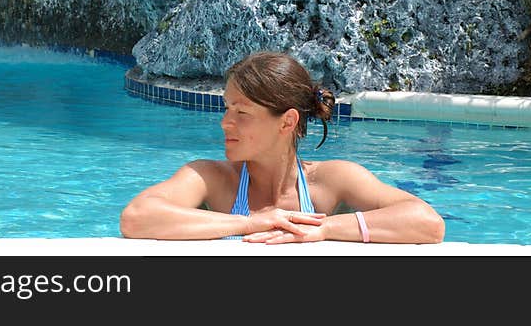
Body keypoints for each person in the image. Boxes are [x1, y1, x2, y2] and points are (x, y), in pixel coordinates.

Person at [120, 50, 445, 244]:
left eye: (242, 112)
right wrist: (253, 222)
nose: (225, 122)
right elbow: (136, 217)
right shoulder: (211, 178)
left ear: (287, 122)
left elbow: (427, 223)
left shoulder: (332, 182)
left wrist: (323, 229)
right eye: (226, 108)